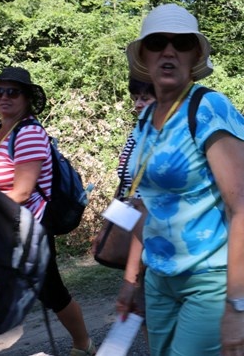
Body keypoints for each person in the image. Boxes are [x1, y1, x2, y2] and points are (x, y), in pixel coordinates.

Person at [122, 3, 244, 355]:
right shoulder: (145, 118)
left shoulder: (210, 109)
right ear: (144, 55)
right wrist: (132, 279)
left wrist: (237, 309)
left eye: (180, 43)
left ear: (195, 53)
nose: (169, 51)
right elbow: (143, 205)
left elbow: (241, 211)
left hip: (208, 280)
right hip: (159, 278)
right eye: (157, 43)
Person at [0, 67, 95, 356]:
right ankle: (85, 345)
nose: (3, 97)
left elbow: (23, 191)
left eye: (12, 92)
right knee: (50, 292)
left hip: (24, 230)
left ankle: (84, 345)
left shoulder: (27, 133)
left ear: (26, 98)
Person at [96, 78, 156, 341]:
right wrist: (112, 224)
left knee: (147, 302)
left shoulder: (164, 134)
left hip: (151, 227)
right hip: (132, 221)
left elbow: (148, 195)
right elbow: (126, 185)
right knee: (141, 306)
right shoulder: (137, 132)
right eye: (136, 97)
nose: (139, 102)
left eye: (146, 97)